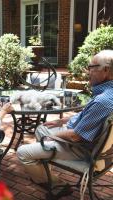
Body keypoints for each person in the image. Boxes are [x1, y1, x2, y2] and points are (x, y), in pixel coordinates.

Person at [17, 49, 113, 184]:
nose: (87, 71)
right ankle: (45, 166)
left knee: (23, 152)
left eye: (91, 67)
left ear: (106, 71)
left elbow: (75, 136)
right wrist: (61, 121)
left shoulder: (102, 101)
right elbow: (87, 116)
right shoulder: (108, 94)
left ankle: (54, 184)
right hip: (92, 144)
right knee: (41, 128)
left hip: (80, 148)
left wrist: (52, 137)